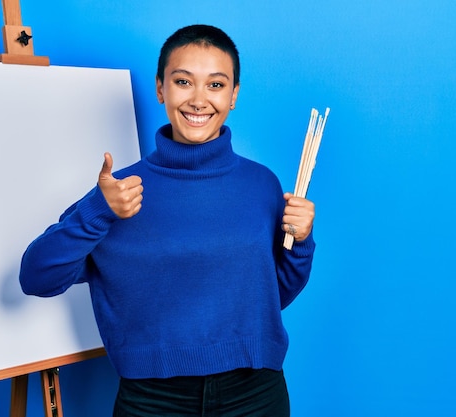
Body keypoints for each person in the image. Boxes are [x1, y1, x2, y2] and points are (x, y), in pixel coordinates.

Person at [19, 24, 316, 417]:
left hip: (255, 393)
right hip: (152, 401)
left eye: (215, 85)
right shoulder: (121, 192)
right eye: (182, 81)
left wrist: (303, 240)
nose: (198, 99)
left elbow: (269, 296)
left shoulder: (262, 185)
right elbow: (36, 278)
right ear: (161, 88)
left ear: (233, 96)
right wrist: (97, 210)